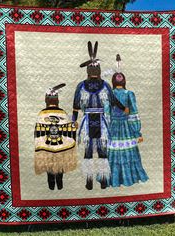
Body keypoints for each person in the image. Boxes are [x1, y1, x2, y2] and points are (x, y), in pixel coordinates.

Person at [72, 41, 129, 190]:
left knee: (100, 151)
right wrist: (74, 121)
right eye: (93, 68)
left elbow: (113, 100)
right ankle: (90, 180)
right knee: (89, 151)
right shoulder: (83, 86)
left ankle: (103, 179)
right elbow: (76, 105)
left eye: (95, 68)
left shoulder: (103, 85)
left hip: (100, 121)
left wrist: (123, 108)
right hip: (89, 121)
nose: (94, 71)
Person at [106, 72, 149, 187]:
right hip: (126, 127)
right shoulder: (129, 94)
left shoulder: (108, 95)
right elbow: (134, 113)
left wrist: (105, 130)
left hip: (113, 127)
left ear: (113, 81)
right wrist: (137, 132)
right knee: (128, 151)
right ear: (124, 81)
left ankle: (113, 179)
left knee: (113, 152)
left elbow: (106, 114)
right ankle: (128, 178)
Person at [34, 84, 77, 190]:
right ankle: (60, 184)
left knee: (49, 166)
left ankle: (51, 185)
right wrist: (73, 126)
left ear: (46, 100)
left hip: (47, 146)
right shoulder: (62, 113)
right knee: (59, 166)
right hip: (60, 146)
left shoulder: (42, 114)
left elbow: (38, 131)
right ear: (57, 100)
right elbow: (69, 128)